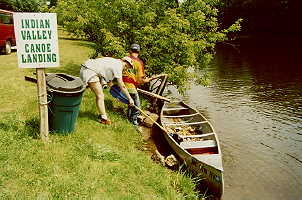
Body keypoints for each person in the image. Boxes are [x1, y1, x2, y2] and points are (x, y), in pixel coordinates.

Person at [80, 57, 134, 125]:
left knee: (85, 91)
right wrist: (130, 98)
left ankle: (102, 115)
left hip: (86, 68)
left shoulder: (113, 61)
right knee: (100, 95)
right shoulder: (118, 65)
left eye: (127, 68)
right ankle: (104, 119)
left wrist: (114, 90)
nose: (125, 68)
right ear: (123, 60)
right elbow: (122, 85)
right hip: (90, 71)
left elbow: (109, 82)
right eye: (126, 66)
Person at [122, 44, 152, 126]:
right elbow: (140, 80)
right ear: (139, 52)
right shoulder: (139, 63)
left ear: (130, 51)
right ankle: (134, 122)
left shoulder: (124, 59)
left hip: (121, 86)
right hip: (130, 87)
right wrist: (149, 79)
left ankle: (128, 119)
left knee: (131, 103)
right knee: (137, 107)